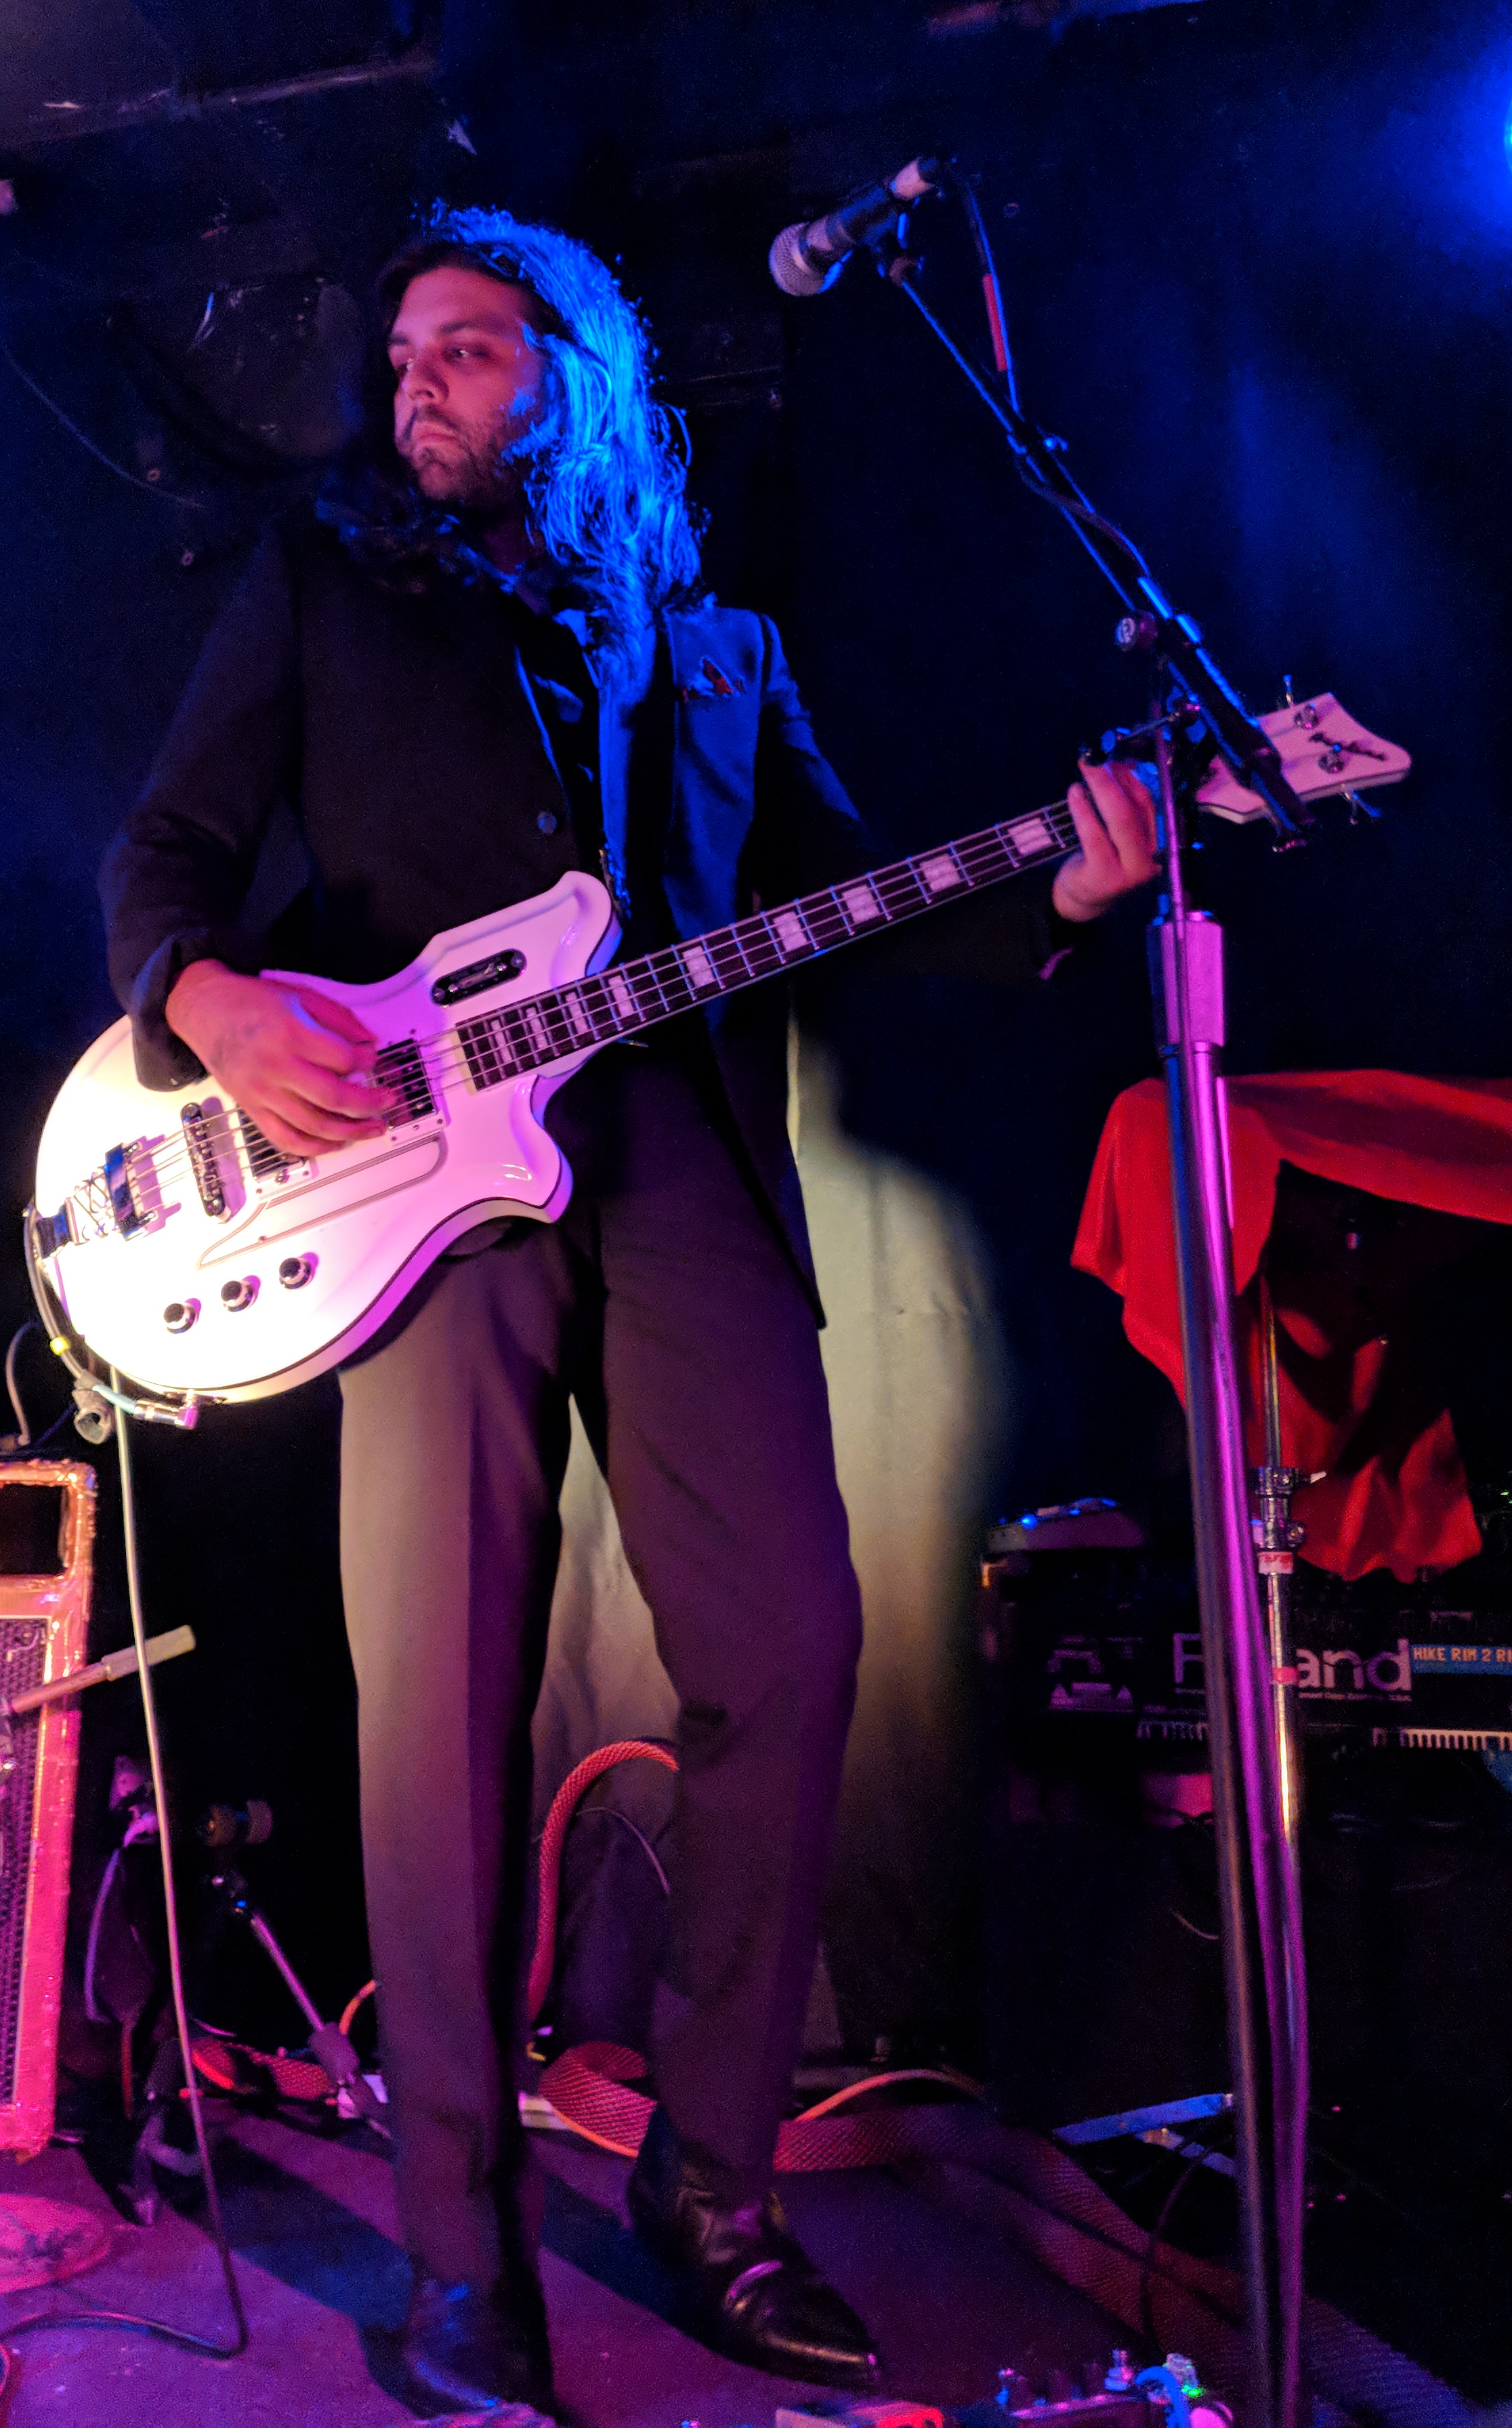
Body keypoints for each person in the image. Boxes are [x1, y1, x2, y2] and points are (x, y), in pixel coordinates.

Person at [101, 205, 1158, 2412]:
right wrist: (210, 1003)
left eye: (470, 349)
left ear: (578, 379)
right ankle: (461, 2249)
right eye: (403, 353)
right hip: (413, 1192)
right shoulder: (325, 592)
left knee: (791, 1647)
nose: (415, 382)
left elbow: (849, 907)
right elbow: (167, 859)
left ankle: (712, 2183)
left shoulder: (723, 652)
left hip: (683, 1172)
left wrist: (1056, 892)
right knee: (441, 1709)